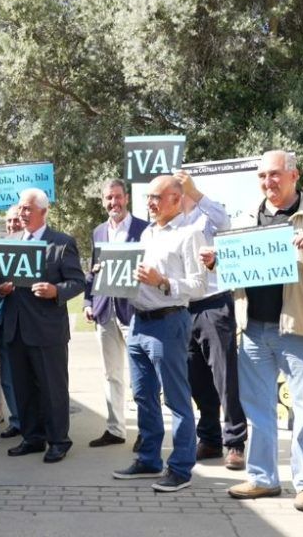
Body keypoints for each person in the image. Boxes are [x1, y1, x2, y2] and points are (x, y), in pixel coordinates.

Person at [220, 150, 303, 511]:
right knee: (258, 409)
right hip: (252, 329)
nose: (269, 182)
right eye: (263, 176)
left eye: (276, 175)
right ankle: (263, 479)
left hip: (300, 328)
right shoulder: (247, 216)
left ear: (295, 175)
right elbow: (233, 264)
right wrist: (218, 259)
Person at [112, 176, 207, 492]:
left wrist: (163, 281)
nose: (150, 203)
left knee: (177, 399)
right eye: (148, 198)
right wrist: (111, 276)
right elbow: (139, 277)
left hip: (169, 322)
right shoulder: (148, 232)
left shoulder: (190, 234)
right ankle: (149, 459)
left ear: (176, 199)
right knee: (142, 395)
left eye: (156, 197)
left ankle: (180, 468)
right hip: (138, 322)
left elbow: (199, 286)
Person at [0, 188, 84, 463]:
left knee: (52, 388)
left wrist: (55, 291)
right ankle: (32, 437)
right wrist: (0, 289)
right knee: (23, 388)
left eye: (27, 209)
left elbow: (77, 282)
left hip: (47, 331)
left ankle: (58, 441)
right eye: (20, 208)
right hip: (15, 328)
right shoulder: (9, 242)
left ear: (43, 212)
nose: (22, 213)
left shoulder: (61, 242)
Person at [176, 170, 247, 470]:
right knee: (196, 378)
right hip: (183, 307)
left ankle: (235, 443)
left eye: (179, 188)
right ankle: (210, 439)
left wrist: (196, 191)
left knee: (224, 376)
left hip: (214, 304)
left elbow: (225, 223)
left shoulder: (207, 214)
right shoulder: (169, 224)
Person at [82, 179, 149, 448]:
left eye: (118, 197)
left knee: (141, 376)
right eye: (109, 198)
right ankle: (115, 429)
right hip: (104, 312)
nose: (114, 203)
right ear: (102, 201)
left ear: (127, 198)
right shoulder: (99, 232)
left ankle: (147, 431)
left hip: (133, 312)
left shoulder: (144, 229)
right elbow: (93, 271)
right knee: (111, 374)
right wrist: (88, 302)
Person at [0, 205, 23, 439]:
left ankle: (36, 419)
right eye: (9, 221)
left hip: (32, 324)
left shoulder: (36, 248)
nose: (13, 225)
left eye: (17, 220)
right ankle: (16, 421)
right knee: (7, 376)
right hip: (3, 322)